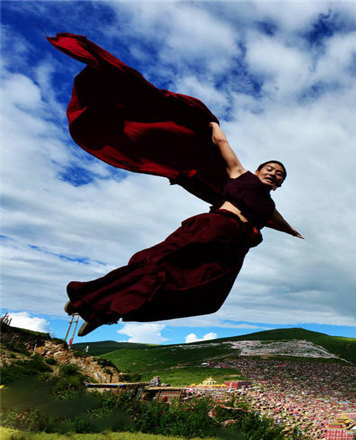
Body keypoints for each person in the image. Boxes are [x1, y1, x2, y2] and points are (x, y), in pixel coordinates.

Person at [65, 122, 303, 336]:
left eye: (279, 174)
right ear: (258, 171)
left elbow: (277, 220)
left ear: (279, 184)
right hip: (212, 229)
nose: (273, 173)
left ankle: (109, 311)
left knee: (207, 296)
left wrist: (290, 230)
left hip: (232, 251)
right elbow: (222, 143)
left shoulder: (269, 205)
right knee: (160, 266)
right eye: (269, 169)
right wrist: (211, 121)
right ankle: (89, 300)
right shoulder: (240, 175)